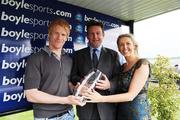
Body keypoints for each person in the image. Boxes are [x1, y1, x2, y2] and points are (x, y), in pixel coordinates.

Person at [24, 19, 83, 120]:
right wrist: (66, 100)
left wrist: (76, 89)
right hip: (46, 117)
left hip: (69, 114)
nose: (59, 37)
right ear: (49, 34)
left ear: (67, 37)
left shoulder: (69, 59)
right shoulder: (35, 58)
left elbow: (68, 83)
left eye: (63, 34)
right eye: (56, 33)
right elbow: (31, 95)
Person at [84, 33, 151, 120]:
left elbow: (130, 96)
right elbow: (116, 85)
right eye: (121, 45)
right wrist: (109, 85)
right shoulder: (122, 67)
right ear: (119, 49)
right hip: (120, 113)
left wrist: (100, 98)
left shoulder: (142, 64)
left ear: (134, 45)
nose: (125, 47)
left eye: (128, 43)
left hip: (137, 114)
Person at [69, 20, 121, 120]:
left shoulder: (113, 55)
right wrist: (83, 83)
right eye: (91, 34)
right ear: (87, 36)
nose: (95, 37)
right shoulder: (78, 55)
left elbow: (118, 77)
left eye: (98, 33)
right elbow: (73, 76)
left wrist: (110, 85)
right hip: (85, 107)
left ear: (103, 35)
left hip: (107, 108)